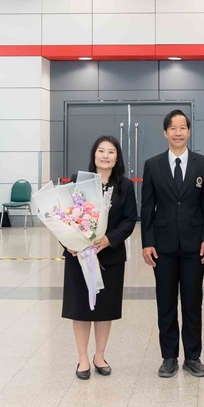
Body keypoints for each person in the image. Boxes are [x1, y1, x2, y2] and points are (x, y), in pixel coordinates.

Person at [140, 110, 204, 378]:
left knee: (193, 303)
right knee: (166, 302)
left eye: (183, 127)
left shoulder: (202, 164)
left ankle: (193, 356)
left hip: (195, 246)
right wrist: (147, 242)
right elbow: (147, 207)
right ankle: (169, 357)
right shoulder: (153, 165)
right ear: (165, 132)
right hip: (163, 246)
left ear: (189, 131)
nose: (178, 132)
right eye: (173, 128)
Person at [63, 136, 138, 380]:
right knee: (80, 308)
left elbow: (130, 219)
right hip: (79, 256)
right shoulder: (79, 180)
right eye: (101, 151)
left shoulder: (125, 185)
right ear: (94, 154)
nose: (105, 156)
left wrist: (108, 239)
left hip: (110, 256)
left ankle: (100, 356)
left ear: (117, 158)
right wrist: (69, 242)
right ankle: (83, 358)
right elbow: (65, 214)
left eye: (111, 152)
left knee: (105, 309)